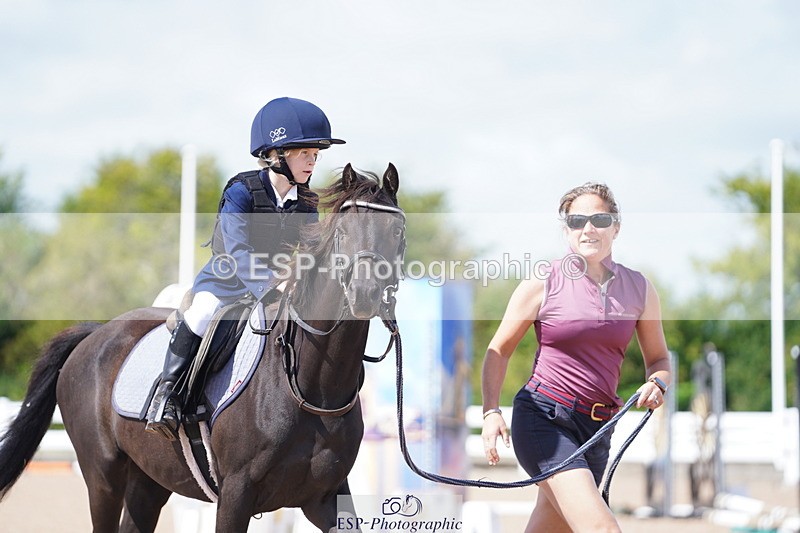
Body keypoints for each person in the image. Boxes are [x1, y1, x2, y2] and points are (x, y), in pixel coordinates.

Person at [145, 97, 345, 440]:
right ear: (276, 154)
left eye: (316, 154)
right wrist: (271, 286)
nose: (313, 161)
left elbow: (311, 249)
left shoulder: (307, 202)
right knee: (203, 314)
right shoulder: (242, 191)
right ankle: (168, 395)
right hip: (226, 282)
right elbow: (237, 250)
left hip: (280, 285)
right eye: (304, 153)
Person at [481, 182, 671, 532]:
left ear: (616, 226)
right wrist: (491, 411)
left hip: (598, 429)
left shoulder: (640, 289)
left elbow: (659, 360)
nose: (588, 228)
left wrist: (657, 383)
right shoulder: (543, 281)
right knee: (602, 528)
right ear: (565, 229)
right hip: (544, 419)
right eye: (576, 220)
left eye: (599, 219)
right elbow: (499, 350)